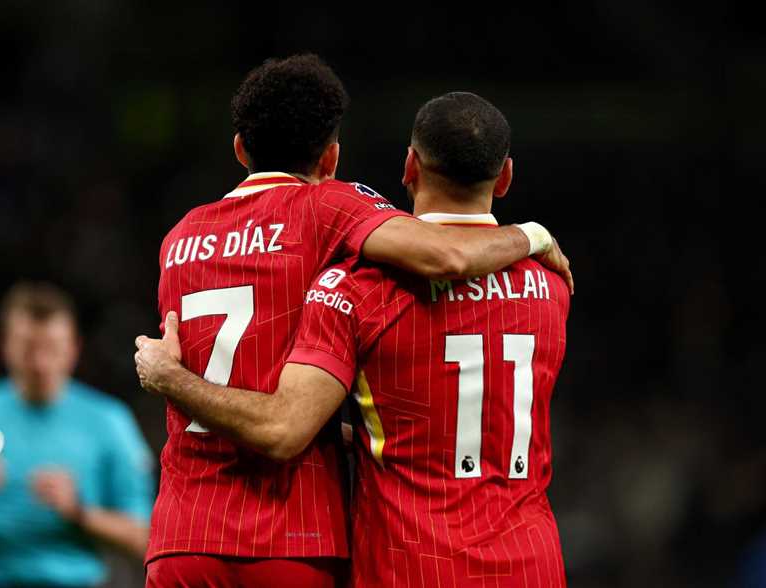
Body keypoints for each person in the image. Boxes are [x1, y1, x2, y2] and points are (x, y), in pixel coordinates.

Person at [142, 54, 572, 587]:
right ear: (332, 156)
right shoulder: (552, 288)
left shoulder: (182, 240)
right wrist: (533, 235)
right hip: (306, 536)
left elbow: (295, 414)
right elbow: (447, 256)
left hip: (193, 531)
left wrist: (170, 378)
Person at [0, 282, 155, 588]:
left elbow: (143, 537)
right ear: (4, 346)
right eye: (27, 348)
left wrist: (80, 513)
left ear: (74, 348)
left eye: (51, 348)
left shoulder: (111, 422)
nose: (39, 363)